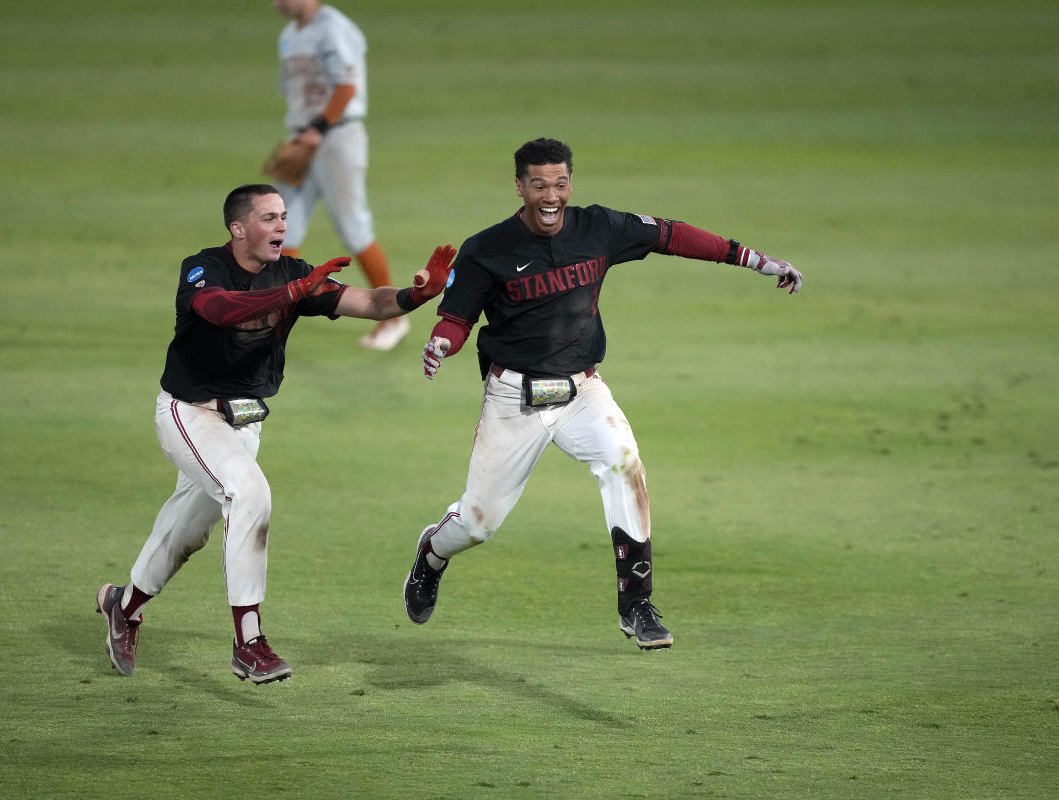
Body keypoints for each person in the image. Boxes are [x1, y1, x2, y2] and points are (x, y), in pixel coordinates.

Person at [403, 138, 802, 650]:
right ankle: (432, 552)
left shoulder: (599, 227)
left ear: (571, 183)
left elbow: (671, 235)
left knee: (623, 460)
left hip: (581, 391)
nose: (552, 195)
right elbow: (455, 320)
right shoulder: (487, 248)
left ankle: (636, 603)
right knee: (478, 525)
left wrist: (753, 259)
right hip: (513, 400)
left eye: (561, 182)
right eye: (540, 184)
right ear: (520, 186)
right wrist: (441, 344)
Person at [97, 183, 455, 684]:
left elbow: (371, 303)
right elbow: (220, 309)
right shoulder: (204, 268)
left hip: (243, 423)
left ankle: (123, 605)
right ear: (238, 228)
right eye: (269, 218)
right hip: (189, 413)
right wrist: (293, 293)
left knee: (188, 531)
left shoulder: (293, 273)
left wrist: (417, 294)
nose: (282, 225)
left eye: (284, 216)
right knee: (251, 494)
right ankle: (250, 643)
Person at [268, 0, 407, 351]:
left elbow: (347, 87)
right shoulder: (289, 35)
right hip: (304, 139)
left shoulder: (334, 29)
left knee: (352, 226)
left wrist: (318, 127)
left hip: (336, 138)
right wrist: (303, 134)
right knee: (283, 228)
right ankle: (279, 317)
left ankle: (393, 318)